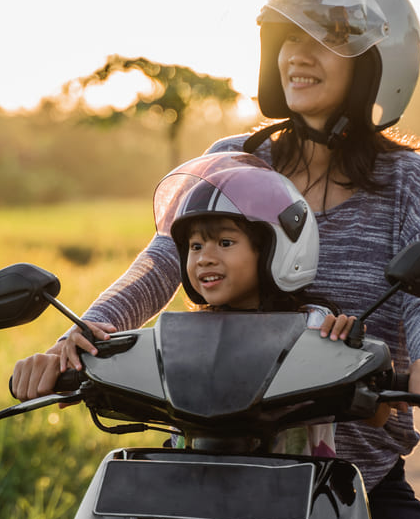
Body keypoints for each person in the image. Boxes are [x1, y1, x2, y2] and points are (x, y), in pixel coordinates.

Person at [11, 0, 420, 519]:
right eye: (286, 39)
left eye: (323, 41)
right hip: (209, 467)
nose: (296, 56)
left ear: (374, 64)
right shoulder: (235, 160)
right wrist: (83, 334)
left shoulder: (408, 180)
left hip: (353, 479)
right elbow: (162, 262)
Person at [151, 150, 359, 455]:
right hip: (195, 491)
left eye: (225, 243)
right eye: (195, 246)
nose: (204, 258)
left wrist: (349, 351)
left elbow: (378, 412)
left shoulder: (313, 327)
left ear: (275, 249)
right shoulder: (182, 333)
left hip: (296, 492)